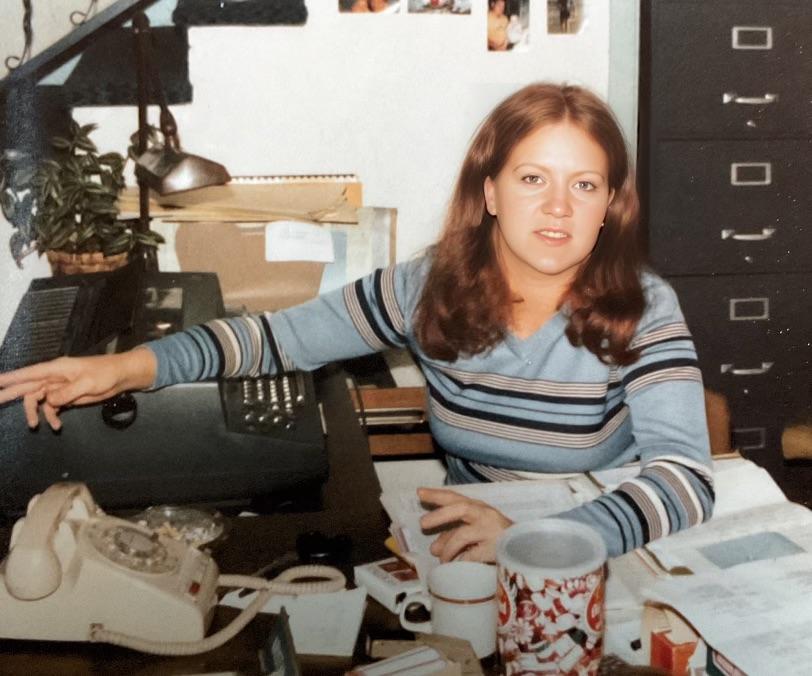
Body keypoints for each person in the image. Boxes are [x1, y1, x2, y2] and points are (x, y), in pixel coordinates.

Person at [0, 83, 714, 564]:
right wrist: (122, 368)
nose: (559, 207)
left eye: (584, 185)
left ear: (609, 205)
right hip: (471, 550)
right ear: (491, 191)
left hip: (601, 552)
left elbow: (684, 480)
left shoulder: (644, 308)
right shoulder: (426, 288)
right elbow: (276, 339)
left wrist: (538, 538)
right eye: (533, 178)